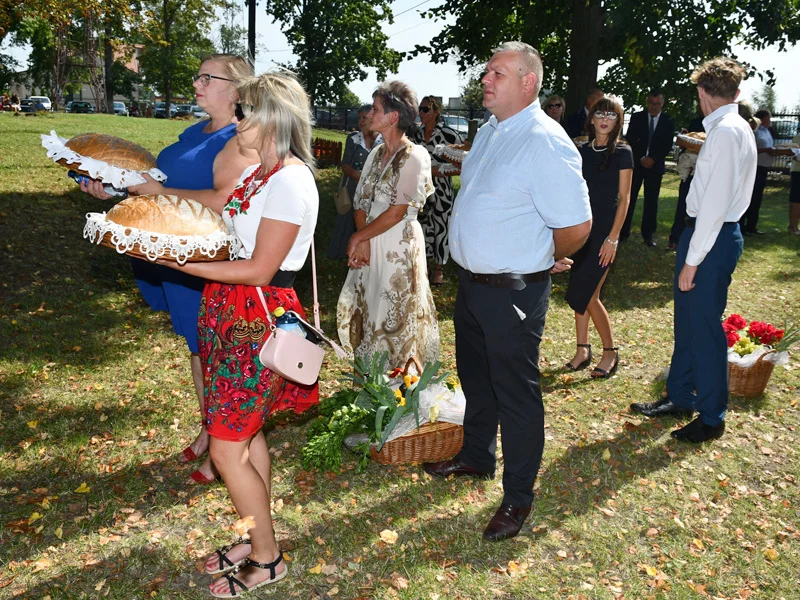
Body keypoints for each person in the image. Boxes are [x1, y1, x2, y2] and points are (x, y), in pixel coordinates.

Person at [157, 71, 318, 596]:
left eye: (246, 113)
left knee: (226, 449)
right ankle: (256, 535)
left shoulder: (292, 180)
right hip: (231, 316)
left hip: (256, 318)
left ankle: (269, 559)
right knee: (247, 437)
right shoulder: (262, 175)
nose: (237, 122)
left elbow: (259, 270)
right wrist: (151, 211)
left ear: (273, 118)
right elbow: (218, 215)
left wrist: (183, 264)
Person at [423, 42, 592, 542]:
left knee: (515, 393)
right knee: (478, 378)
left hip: (513, 290)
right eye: (486, 71)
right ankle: (477, 456)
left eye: (497, 72)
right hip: (473, 286)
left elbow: (577, 226)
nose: (486, 80)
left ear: (528, 82)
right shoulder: (494, 132)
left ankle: (518, 497)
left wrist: (542, 256)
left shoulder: (545, 140)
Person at [81, 54, 263, 485]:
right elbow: (160, 187)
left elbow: (224, 201)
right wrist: (113, 190)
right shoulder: (193, 132)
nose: (196, 83)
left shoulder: (242, 139)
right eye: (197, 76)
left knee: (215, 351)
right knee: (196, 347)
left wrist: (159, 191)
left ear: (235, 90)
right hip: (176, 250)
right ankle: (209, 429)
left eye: (206, 77)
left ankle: (223, 450)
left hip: (209, 256)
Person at [630, 57, 757, 443]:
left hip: (711, 238)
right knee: (687, 323)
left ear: (702, 93)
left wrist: (693, 259)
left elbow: (715, 205)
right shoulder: (733, 128)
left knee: (703, 329)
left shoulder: (726, 132)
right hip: (706, 235)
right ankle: (682, 396)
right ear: (735, 93)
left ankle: (712, 416)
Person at [336, 81, 439, 368]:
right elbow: (360, 202)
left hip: (398, 246)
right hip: (371, 243)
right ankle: (373, 380)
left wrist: (357, 239)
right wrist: (364, 240)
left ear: (394, 117)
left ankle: (402, 383)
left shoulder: (415, 156)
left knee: (395, 312)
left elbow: (396, 212)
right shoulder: (374, 155)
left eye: (376, 108)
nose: (370, 113)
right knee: (370, 310)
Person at [564, 95, 632, 378]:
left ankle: (610, 352)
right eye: (600, 114)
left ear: (618, 121)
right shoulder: (580, 150)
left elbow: (625, 198)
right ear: (591, 119)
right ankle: (582, 350)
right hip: (581, 230)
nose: (605, 119)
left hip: (605, 233)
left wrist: (613, 238)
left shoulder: (623, 152)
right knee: (582, 292)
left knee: (589, 295)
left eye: (612, 115)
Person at [411, 95, 463, 285]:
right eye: (420, 109)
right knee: (421, 226)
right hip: (420, 188)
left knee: (441, 226)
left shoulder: (448, 134)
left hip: (441, 189)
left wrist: (441, 170)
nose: (422, 113)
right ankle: (422, 266)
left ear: (436, 111)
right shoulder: (416, 134)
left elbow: (464, 163)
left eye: (426, 109)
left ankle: (439, 269)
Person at [620, 88, 675, 246]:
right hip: (636, 165)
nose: (654, 106)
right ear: (647, 102)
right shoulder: (637, 118)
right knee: (629, 198)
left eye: (657, 104)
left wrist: (653, 159)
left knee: (652, 201)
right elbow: (630, 139)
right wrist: (641, 158)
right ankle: (623, 232)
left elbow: (666, 145)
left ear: (662, 103)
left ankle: (648, 234)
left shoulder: (668, 121)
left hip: (655, 167)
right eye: (651, 103)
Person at [327, 105, 380, 259]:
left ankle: (370, 253)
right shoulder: (353, 138)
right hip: (353, 187)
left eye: (364, 117)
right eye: (359, 118)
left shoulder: (383, 140)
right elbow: (345, 164)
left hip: (375, 190)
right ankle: (343, 253)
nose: (361, 121)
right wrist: (359, 176)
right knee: (348, 220)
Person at [668, 114, 705, 251]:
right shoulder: (696, 122)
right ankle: (675, 238)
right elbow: (686, 143)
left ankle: (695, 242)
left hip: (707, 175)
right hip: (690, 172)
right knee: (683, 205)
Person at [740, 109, 775, 235]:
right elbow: (751, 149)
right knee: (750, 196)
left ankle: (752, 225)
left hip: (764, 167)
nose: (769, 120)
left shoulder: (767, 131)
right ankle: (742, 225)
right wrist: (766, 150)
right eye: (767, 118)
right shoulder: (755, 132)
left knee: (757, 198)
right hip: (755, 167)